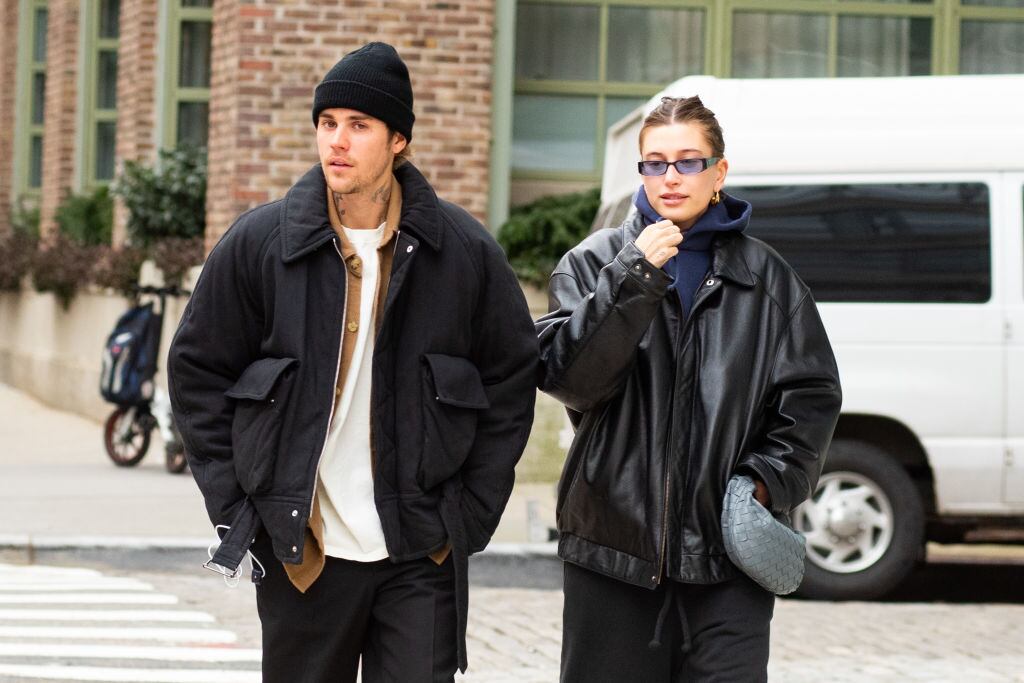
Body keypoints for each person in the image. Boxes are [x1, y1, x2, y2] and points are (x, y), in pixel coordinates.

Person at [168, 41, 538, 683]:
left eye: (359, 125)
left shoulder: (463, 252)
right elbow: (197, 371)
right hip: (303, 554)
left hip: (419, 551)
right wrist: (239, 505)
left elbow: (511, 377)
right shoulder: (261, 244)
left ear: (399, 140)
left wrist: (470, 511)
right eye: (327, 122)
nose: (337, 141)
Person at [535, 95, 842, 682]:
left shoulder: (766, 277)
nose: (670, 177)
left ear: (718, 172)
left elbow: (812, 396)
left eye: (688, 161)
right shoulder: (593, 264)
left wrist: (763, 483)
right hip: (614, 553)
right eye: (655, 163)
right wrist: (634, 277)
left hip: (728, 559)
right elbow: (573, 381)